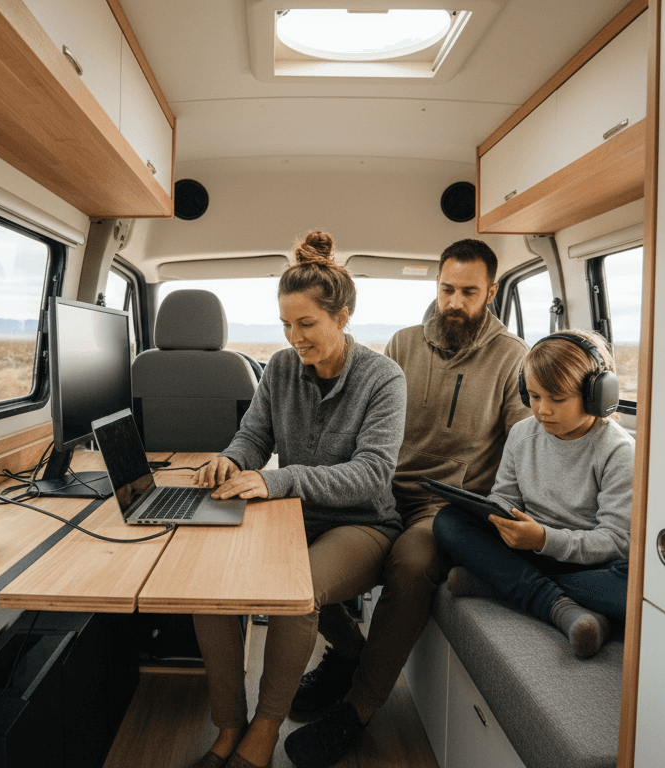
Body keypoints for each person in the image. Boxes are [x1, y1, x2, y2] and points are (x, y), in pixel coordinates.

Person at [284, 239, 532, 768]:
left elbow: (524, 444)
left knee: (413, 561)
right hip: (376, 489)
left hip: (441, 506)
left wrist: (507, 508)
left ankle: (359, 707)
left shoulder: (513, 358)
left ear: (490, 292)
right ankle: (350, 651)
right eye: (447, 289)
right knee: (290, 548)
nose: (454, 302)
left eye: (468, 291)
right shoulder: (401, 344)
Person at [188, 230, 407, 768]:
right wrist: (233, 461)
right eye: (286, 324)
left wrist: (280, 481)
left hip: (362, 523)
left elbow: (373, 476)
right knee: (204, 582)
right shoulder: (282, 367)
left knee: (298, 590)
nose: (294, 337)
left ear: (344, 315)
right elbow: (254, 436)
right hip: (294, 516)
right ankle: (229, 723)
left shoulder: (384, 378)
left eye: (306, 324)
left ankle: (264, 730)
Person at [433, 329, 634, 658]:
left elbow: (616, 541)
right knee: (448, 520)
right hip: (527, 548)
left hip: (588, 565)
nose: (543, 410)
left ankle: (501, 585)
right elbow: (505, 500)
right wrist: (495, 516)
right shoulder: (522, 433)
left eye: (557, 399)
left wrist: (544, 539)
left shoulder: (618, 451)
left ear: (596, 395)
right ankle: (555, 601)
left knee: (632, 586)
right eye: (534, 397)